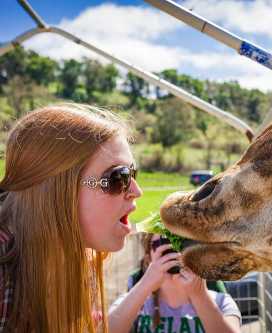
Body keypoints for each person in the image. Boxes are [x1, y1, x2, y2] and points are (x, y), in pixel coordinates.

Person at [0, 104, 143, 332]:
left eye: (132, 174)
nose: (136, 191)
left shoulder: (69, 260)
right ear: (58, 187)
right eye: (118, 177)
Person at [108, 233, 241, 333]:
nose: (174, 251)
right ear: (148, 259)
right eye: (163, 244)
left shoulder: (220, 302)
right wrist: (146, 284)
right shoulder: (136, 302)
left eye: (181, 242)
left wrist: (200, 295)